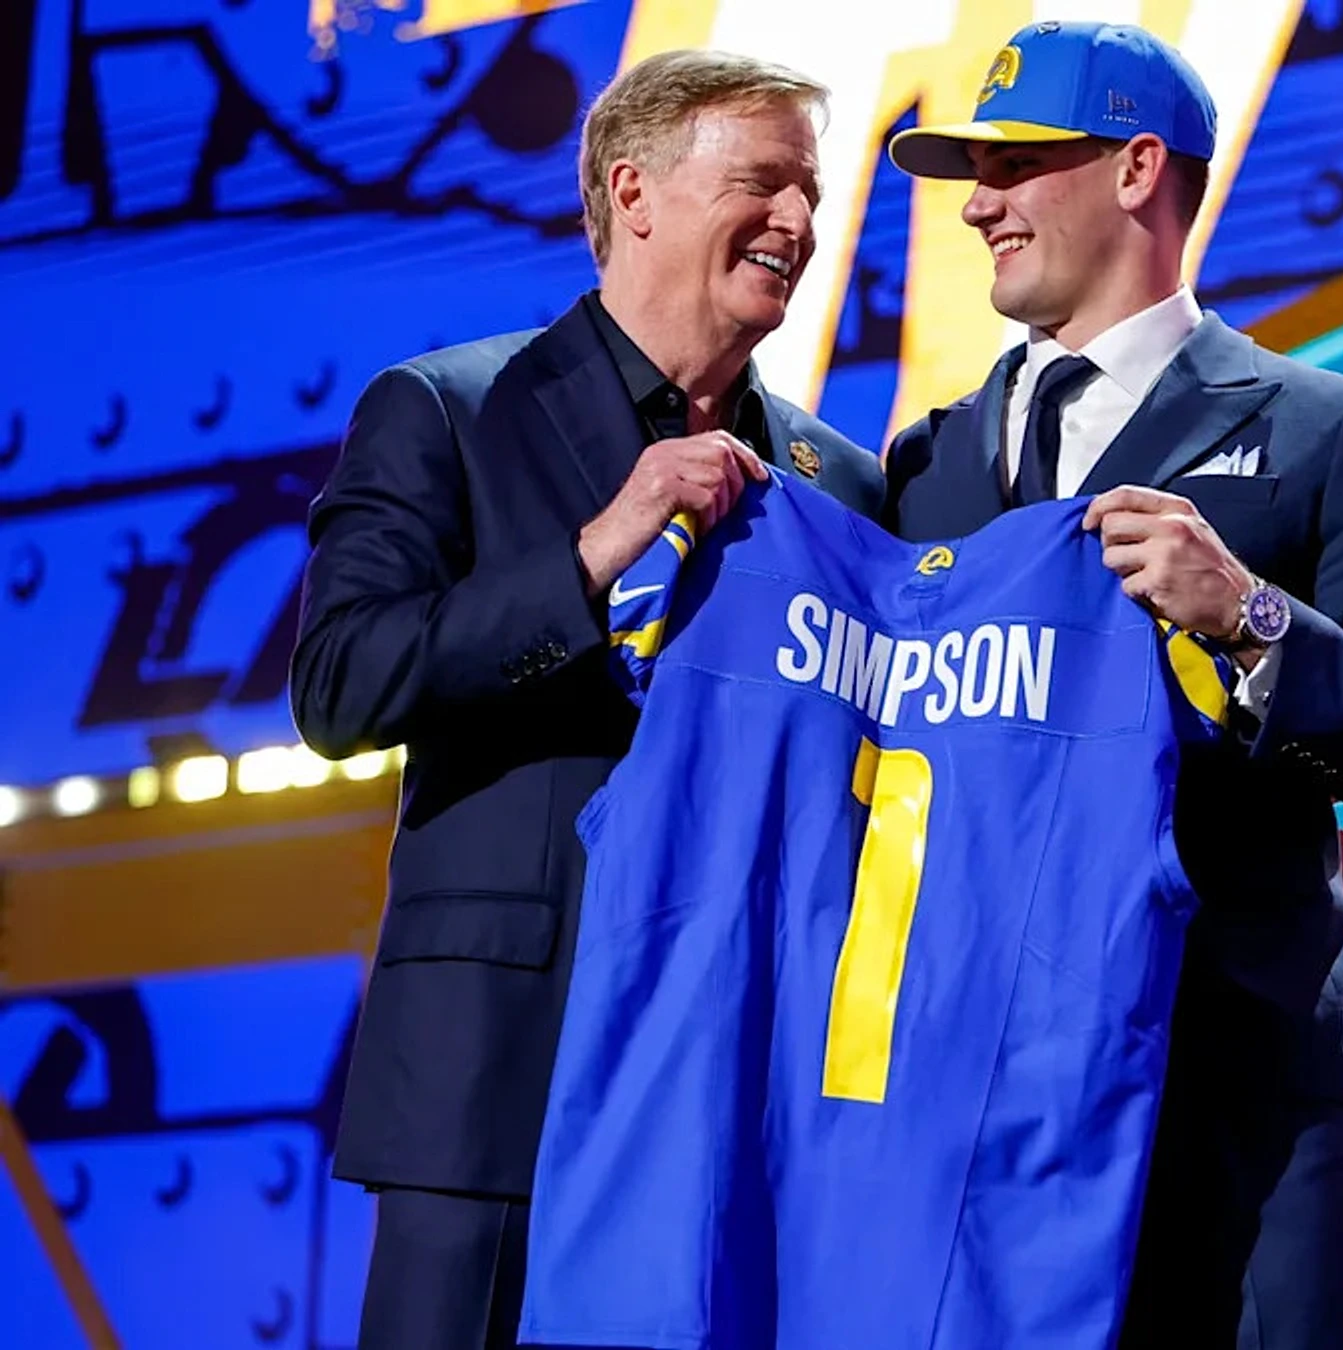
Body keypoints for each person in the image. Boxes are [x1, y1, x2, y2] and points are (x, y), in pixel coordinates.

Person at [882, 21, 1343, 1349]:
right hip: (983, 1128)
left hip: (1238, 1115)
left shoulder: (1324, 429)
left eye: (1015, 165)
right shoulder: (924, 471)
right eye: (975, 172)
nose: (978, 204)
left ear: (1137, 168)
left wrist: (1252, 617)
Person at [288, 49, 883, 1348]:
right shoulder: (450, 411)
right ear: (635, 191)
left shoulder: (840, 484)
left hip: (740, 1078)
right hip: (499, 1073)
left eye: (809, 191)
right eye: (763, 182)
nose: (798, 220)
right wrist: (598, 548)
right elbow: (340, 684)